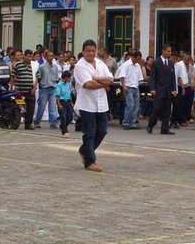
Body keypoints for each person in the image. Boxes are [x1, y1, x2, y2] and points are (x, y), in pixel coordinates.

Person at [73, 39, 114, 172]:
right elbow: (87, 84)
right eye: (88, 51)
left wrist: (96, 78)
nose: (90, 53)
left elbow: (111, 79)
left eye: (92, 51)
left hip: (101, 103)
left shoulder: (101, 64)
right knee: (89, 132)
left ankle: (84, 150)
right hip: (87, 103)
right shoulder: (80, 66)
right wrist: (104, 84)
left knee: (102, 131)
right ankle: (90, 161)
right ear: (83, 52)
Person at [147, 43, 178, 135]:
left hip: (168, 90)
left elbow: (173, 77)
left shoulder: (171, 63)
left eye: (170, 51)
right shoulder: (156, 62)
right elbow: (152, 77)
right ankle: (151, 123)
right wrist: (152, 88)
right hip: (159, 89)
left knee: (167, 110)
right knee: (156, 108)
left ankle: (165, 128)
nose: (170, 53)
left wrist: (174, 89)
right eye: (168, 51)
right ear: (163, 51)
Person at [33, 49, 61, 129]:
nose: (51, 58)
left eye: (52, 56)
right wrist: (39, 85)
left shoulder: (55, 67)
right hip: (44, 88)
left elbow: (56, 78)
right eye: (49, 56)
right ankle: (37, 121)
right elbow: (38, 77)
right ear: (45, 57)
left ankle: (53, 123)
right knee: (42, 107)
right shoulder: (41, 67)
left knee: (52, 107)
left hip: (53, 88)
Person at [116, 50, 144, 129]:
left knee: (136, 106)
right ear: (133, 57)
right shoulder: (126, 65)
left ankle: (133, 122)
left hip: (135, 86)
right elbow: (121, 76)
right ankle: (126, 122)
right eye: (137, 59)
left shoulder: (137, 66)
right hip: (128, 86)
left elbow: (139, 77)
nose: (138, 61)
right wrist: (124, 86)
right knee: (130, 105)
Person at [12, 49, 37, 130]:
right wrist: (12, 88)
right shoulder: (17, 65)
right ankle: (15, 122)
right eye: (28, 56)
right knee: (19, 108)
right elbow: (13, 76)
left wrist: (34, 87)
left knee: (31, 108)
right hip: (20, 91)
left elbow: (38, 76)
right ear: (24, 56)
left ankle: (28, 124)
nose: (30, 58)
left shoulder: (34, 65)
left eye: (31, 56)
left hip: (30, 91)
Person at [56, 70, 75, 135]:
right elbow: (57, 96)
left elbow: (69, 94)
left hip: (68, 102)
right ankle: (64, 131)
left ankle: (63, 126)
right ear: (66, 77)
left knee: (70, 117)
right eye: (69, 78)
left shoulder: (67, 84)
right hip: (62, 101)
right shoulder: (59, 85)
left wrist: (71, 102)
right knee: (63, 117)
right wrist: (59, 104)